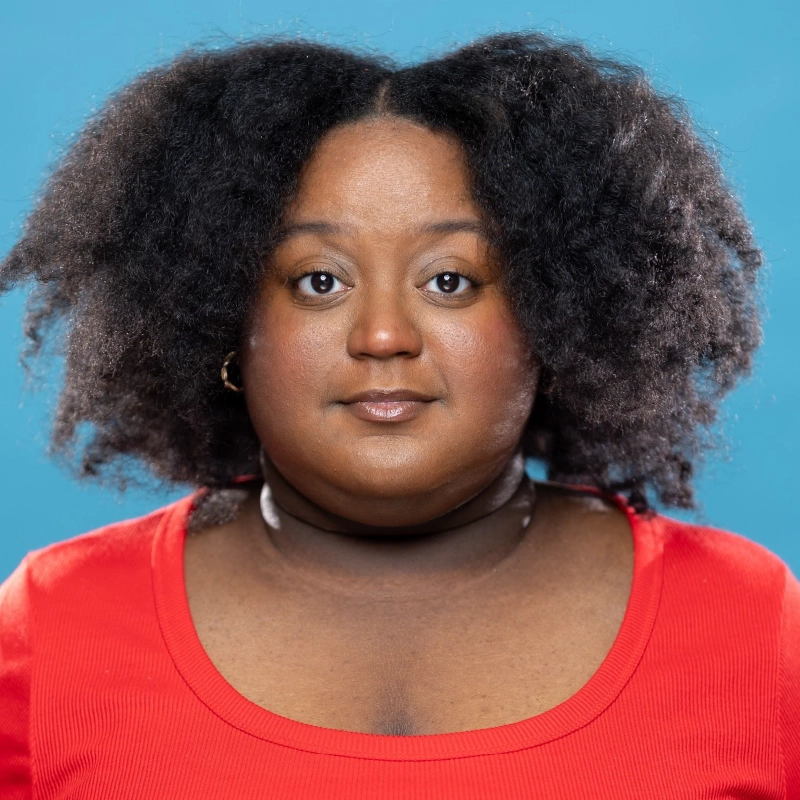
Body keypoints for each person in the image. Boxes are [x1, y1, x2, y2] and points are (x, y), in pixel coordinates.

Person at [0, 30, 797, 799]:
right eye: (319, 281)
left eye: (450, 281)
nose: (383, 336)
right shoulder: (49, 629)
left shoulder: (756, 629)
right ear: (224, 320)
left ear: (555, 317)